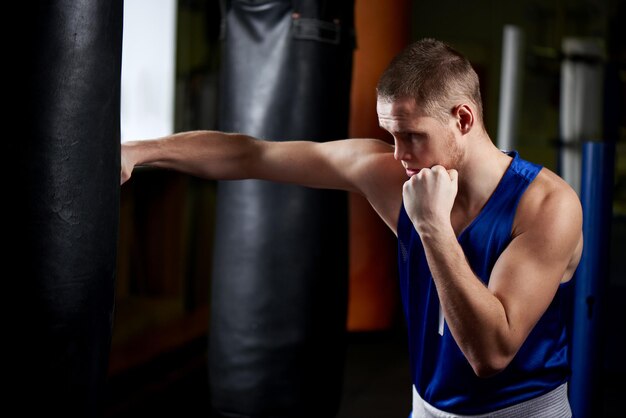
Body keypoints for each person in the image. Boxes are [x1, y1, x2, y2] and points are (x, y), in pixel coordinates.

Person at [121, 38, 582, 417]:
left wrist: (433, 229)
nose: (398, 154)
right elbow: (252, 154)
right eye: (390, 135)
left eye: (412, 135)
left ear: (463, 118)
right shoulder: (396, 175)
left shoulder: (547, 206)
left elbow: (491, 354)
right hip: (428, 408)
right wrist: (139, 151)